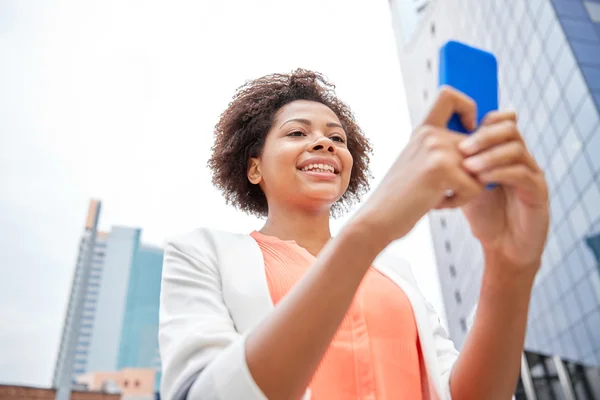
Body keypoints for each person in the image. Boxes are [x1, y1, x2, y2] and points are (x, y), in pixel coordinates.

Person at [158, 69, 549, 400]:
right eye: (296, 133)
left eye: (338, 138)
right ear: (254, 168)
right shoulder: (201, 253)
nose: (324, 142)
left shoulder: (396, 274)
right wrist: (369, 230)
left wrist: (510, 267)